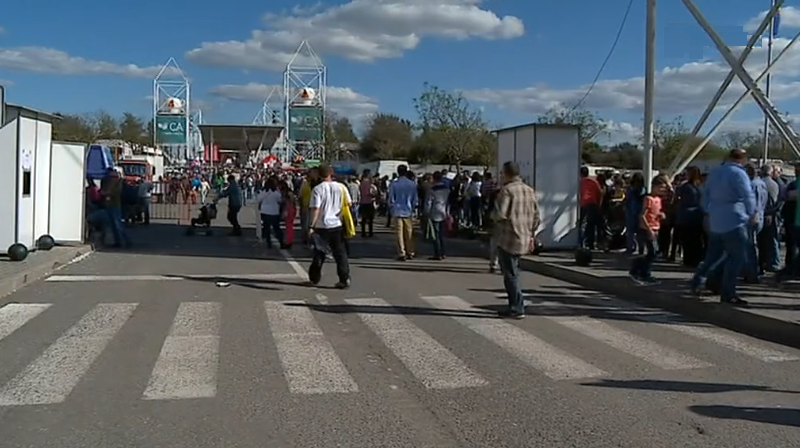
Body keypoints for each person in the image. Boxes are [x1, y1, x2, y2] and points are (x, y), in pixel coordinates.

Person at [688, 149, 756, 306]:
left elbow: (706, 195)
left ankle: (697, 282)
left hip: (716, 219)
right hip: (734, 218)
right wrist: (752, 213)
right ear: (743, 159)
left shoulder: (715, 172)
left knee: (712, 256)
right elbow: (747, 194)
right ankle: (728, 293)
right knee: (736, 258)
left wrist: (708, 210)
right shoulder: (739, 173)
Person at [491, 161, 540, 319]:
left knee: (510, 275)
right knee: (514, 272)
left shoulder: (507, 191)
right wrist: (531, 233)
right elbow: (537, 216)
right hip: (524, 235)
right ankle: (515, 305)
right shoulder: (529, 190)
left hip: (508, 237)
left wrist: (492, 215)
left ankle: (517, 307)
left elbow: (500, 214)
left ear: (506, 173)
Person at [307, 164, 351, 289]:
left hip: (322, 225)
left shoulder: (317, 189)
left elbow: (316, 208)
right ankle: (344, 278)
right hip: (336, 224)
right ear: (331, 174)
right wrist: (340, 214)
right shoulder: (341, 187)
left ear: (319, 174)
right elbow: (348, 203)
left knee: (319, 253)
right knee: (340, 253)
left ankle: (314, 277)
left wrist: (312, 225)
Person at [629, 175, 670, 285]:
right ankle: (644, 272)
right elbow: (642, 215)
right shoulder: (648, 199)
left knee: (655, 251)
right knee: (652, 251)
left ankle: (639, 267)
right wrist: (648, 229)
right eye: (660, 187)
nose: (662, 190)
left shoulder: (658, 200)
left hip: (656, 227)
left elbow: (656, 212)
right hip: (647, 228)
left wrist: (661, 215)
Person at [388, 165, 418, 261]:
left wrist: (391, 208)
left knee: (399, 233)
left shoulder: (394, 184)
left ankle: (402, 252)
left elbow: (391, 198)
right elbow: (415, 199)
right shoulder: (412, 184)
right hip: (408, 211)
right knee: (409, 232)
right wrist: (413, 208)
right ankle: (410, 251)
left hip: (397, 210)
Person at [425, 171, 450, 260]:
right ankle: (443, 252)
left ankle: (437, 253)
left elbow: (428, 202)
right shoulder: (446, 189)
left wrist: (426, 212)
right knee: (441, 234)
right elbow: (447, 202)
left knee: (435, 234)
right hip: (443, 211)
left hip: (434, 212)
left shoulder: (432, 190)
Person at [256, 176, 283, 248]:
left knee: (266, 227)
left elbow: (258, 200)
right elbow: (280, 201)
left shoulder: (264, 192)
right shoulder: (276, 193)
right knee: (276, 228)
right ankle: (281, 241)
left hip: (265, 211)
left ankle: (268, 242)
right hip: (274, 211)